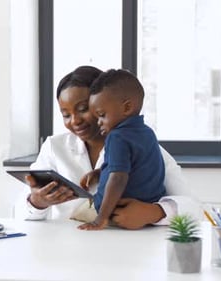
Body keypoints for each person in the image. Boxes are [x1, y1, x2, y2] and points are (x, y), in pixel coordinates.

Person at [14, 65, 200, 229]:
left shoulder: (144, 146)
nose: (75, 121)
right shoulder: (55, 148)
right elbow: (19, 214)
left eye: (83, 109)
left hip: (126, 253)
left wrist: (154, 212)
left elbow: (194, 208)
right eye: (66, 115)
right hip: (68, 253)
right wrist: (37, 202)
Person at [78, 69, 165, 231]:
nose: (99, 123)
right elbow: (136, 166)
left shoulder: (117, 136)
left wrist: (100, 219)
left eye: (102, 115)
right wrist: (100, 172)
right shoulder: (147, 133)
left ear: (127, 108)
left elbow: (118, 178)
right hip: (146, 213)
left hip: (117, 215)